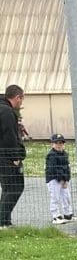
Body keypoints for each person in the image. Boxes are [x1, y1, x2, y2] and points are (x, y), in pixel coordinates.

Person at [0, 84, 26, 229]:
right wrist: (15, 157)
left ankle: (5, 220)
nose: (21, 103)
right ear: (17, 97)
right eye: (22, 99)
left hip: (2, 156)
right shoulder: (7, 112)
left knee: (7, 188)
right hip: (6, 157)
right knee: (15, 187)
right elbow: (9, 136)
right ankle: (2, 220)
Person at [45, 134, 74, 224]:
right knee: (55, 197)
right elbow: (53, 169)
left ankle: (68, 215)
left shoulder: (65, 154)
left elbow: (67, 167)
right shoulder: (51, 155)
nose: (59, 145)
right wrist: (61, 179)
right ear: (52, 144)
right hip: (54, 179)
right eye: (56, 143)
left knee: (66, 197)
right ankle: (56, 216)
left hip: (63, 180)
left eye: (61, 143)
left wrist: (66, 179)